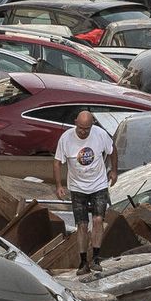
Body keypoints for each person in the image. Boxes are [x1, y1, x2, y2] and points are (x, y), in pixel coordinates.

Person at [53, 109, 117, 275]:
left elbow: (112, 150)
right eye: (80, 128)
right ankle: (83, 262)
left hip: (98, 184)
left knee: (98, 220)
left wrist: (114, 171)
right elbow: (57, 162)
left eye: (86, 129)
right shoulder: (66, 138)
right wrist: (59, 185)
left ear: (92, 126)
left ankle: (95, 258)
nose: (83, 132)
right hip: (77, 187)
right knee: (81, 225)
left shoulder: (100, 134)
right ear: (75, 123)